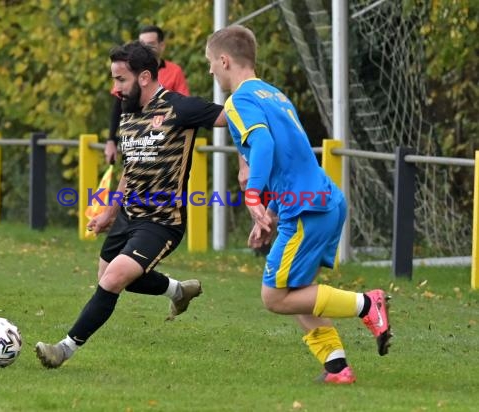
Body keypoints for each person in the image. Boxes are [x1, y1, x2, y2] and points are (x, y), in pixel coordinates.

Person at [205, 25, 392, 384]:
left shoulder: (239, 100)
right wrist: (270, 214)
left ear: (224, 60)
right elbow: (293, 159)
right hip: (322, 202)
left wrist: (253, 195)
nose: (212, 71)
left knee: (274, 297)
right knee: (298, 292)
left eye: (212, 64)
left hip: (309, 209)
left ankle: (368, 304)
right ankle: (337, 369)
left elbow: (263, 145)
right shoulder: (274, 94)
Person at [35, 41, 226, 369]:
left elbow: (230, 117)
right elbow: (131, 167)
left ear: (145, 77)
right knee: (109, 277)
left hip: (162, 220)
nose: (115, 88)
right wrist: (110, 211)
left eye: (120, 79)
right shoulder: (129, 113)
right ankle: (178, 291)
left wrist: (256, 99)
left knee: (112, 280)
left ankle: (63, 350)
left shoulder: (179, 108)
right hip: (128, 216)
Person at [104, 25, 190, 164]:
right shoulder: (129, 70)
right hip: (136, 140)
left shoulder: (174, 71)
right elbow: (118, 106)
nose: (145, 48)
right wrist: (111, 140)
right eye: (142, 44)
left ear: (162, 46)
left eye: (150, 44)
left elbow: (185, 106)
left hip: (166, 143)